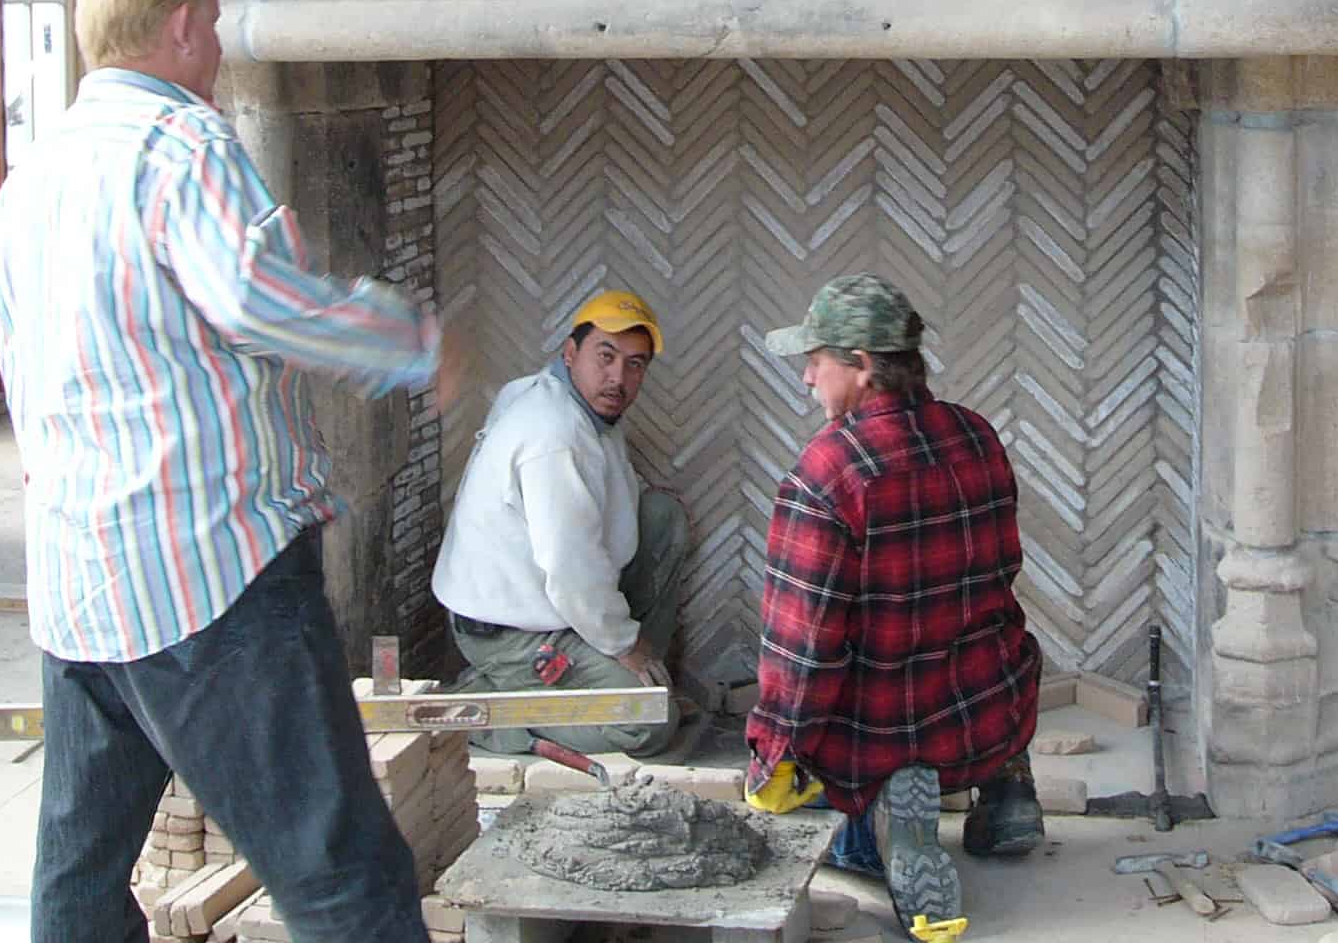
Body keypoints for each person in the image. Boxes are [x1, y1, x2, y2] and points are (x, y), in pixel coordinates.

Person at [0, 0, 464, 943]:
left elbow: (22, 374)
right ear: (185, 25)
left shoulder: (31, 178)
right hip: (210, 582)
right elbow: (258, 303)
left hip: (83, 585)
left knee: (79, 879)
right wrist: (409, 337)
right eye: (213, 19)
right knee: (344, 872)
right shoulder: (183, 146)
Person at [744, 274, 1045, 937]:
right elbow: (1002, 573)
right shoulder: (976, 435)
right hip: (988, 705)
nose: (806, 381)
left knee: (814, 811)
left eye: (814, 362)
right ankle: (1006, 780)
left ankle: (889, 822)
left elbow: (802, 651)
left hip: (886, 729)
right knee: (986, 642)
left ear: (861, 366)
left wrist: (774, 756)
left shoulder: (826, 475)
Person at [430, 289, 689, 757]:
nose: (618, 377)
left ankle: (633, 680)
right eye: (605, 356)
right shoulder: (555, 435)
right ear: (570, 354)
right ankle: (487, 713)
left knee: (661, 518)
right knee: (647, 725)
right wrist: (623, 645)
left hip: (544, 595)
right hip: (510, 630)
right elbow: (570, 569)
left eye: (635, 364)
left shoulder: (552, 394)